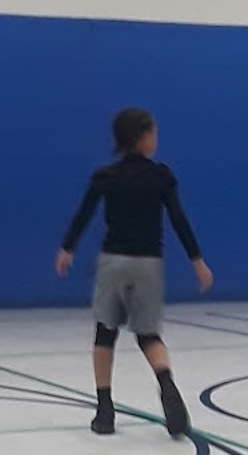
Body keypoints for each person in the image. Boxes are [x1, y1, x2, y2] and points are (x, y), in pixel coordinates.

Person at [56, 108, 214, 439]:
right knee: (148, 334)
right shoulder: (161, 176)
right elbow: (178, 219)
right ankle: (165, 383)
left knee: (105, 332)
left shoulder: (105, 176)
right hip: (148, 263)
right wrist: (196, 259)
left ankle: (104, 409)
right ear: (142, 137)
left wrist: (67, 248)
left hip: (113, 261)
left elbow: (83, 215)